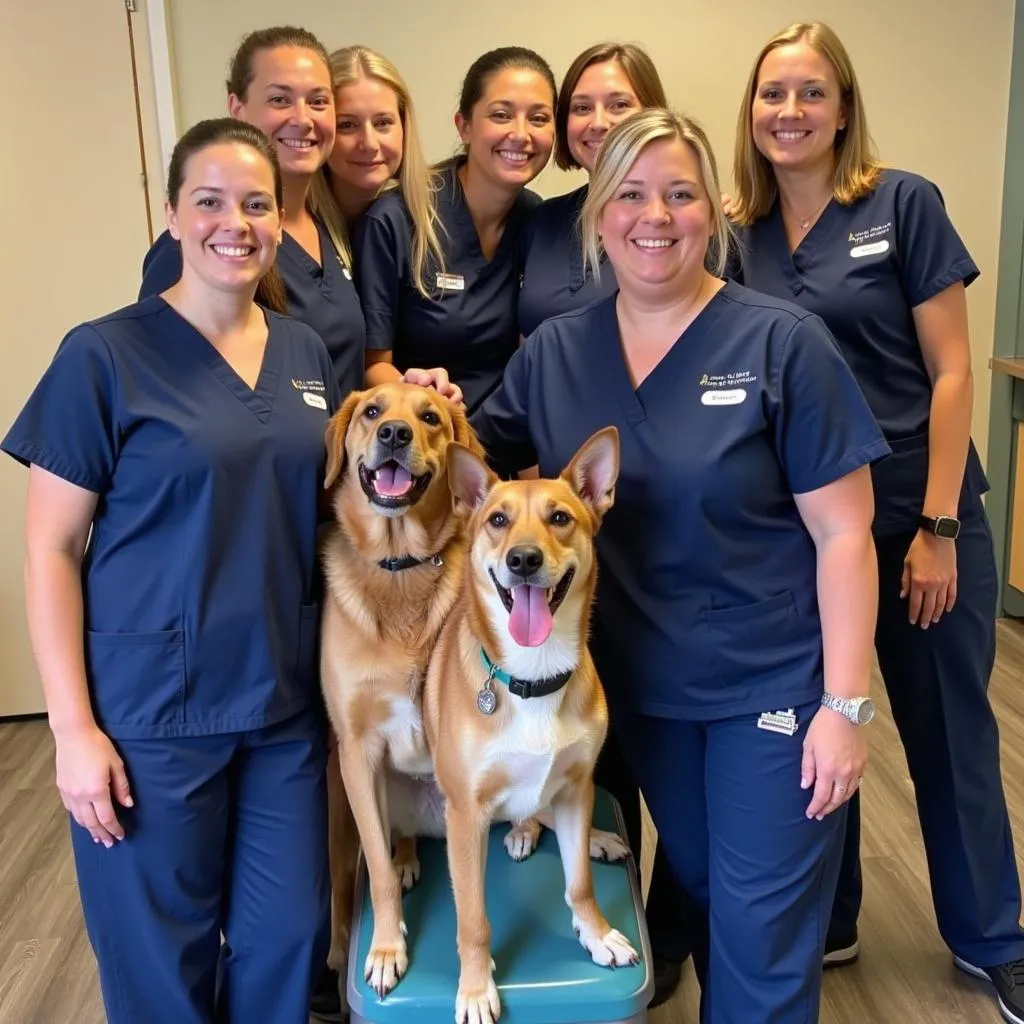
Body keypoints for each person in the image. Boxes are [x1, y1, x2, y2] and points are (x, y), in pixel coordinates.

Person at [464, 107, 889, 1023]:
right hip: (646, 696)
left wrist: (845, 708)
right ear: (596, 215)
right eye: (629, 193)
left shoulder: (781, 343)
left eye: (680, 193)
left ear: (714, 213)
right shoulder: (555, 354)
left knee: (761, 930)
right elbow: (471, 475)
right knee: (697, 884)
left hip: (770, 687)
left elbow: (846, 536)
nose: (654, 215)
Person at [2, 118, 339, 1024]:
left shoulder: (306, 354)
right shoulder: (103, 354)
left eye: (258, 203)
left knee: (289, 941)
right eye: (211, 201)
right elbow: (50, 549)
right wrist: (71, 729)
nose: (236, 222)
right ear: (172, 214)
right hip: (151, 710)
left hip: (282, 699)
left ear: (281, 218)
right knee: (162, 961)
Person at [728, 22, 1024, 1022]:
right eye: (772, 94)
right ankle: (835, 914)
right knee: (820, 731)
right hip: (807, 537)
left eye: (811, 93)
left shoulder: (901, 204)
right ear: (751, 110)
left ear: (843, 107)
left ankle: (994, 938)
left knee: (949, 738)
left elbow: (950, 372)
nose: (789, 111)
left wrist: (938, 524)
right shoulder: (738, 233)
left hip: (914, 514)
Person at [514, 41, 691, 1007]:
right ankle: (582, 854)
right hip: (550, 507)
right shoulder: (544, 232)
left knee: (671, 770)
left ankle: (662, 935)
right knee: (576, 721)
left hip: (662, 535)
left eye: (614, 103)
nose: (590, 120)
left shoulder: (693, 237)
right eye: (576, 105)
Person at [139, 26, 368, 398]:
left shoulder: (331, 229)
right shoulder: (199, 248)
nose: (303, 118)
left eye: (318, 101)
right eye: (280, 99)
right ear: (237, 108)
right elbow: (160, 395)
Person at [353, 46, 556, 414]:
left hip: (505, 447)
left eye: (539, 118)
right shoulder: (396, 219)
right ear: (464, 125)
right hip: (427, 446)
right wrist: (426, 400)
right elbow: (370, 365)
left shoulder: (537, 219)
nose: (521, 134)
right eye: (501, 114)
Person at [310, 44, 448, 391]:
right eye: (347, 125)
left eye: (383, 123)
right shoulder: (299, 230)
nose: (369, 142)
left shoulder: (422, 216)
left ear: (404, 126)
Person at [517, 42, 666, 337]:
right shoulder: (542, 221)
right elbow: (524, 347)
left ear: (653, 114)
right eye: (582, 107)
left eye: (619, 105)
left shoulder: (680, 223)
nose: (598, 123)